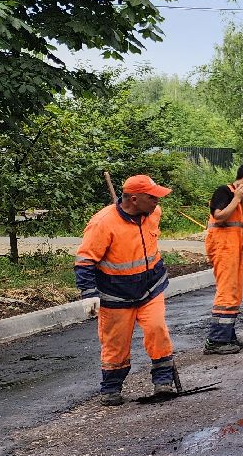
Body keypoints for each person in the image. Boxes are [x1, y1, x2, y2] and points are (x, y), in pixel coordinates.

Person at [75, 174, 179, 405]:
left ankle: (163, 382)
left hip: (151, 288)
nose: (157, 202)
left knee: (157, 331)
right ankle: (111, 388)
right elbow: (85, 260)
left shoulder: (154, 213)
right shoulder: (102, 223)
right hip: (115, 296)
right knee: (115, 345)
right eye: (152, 197)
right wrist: (88, 293)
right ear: (133, 199)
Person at [203, 162, 243, 354]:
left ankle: (228, 336)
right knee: (227, 292)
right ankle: (216, 340)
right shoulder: (224, 192)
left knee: (235, 292)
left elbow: (239, 224)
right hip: (222, 247)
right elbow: (220, 216)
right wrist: (236, 198)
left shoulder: (241, 197)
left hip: (233, 247)